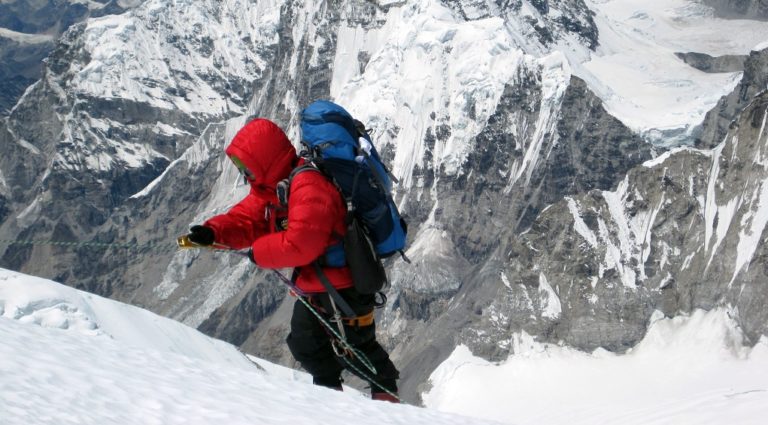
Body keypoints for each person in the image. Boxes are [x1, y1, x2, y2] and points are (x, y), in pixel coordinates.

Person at [183, 118, 400, 402]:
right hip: (320, 286)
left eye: (246, 167)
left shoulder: (308, 186)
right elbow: (246, 219)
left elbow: (301, 245)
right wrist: (212, 231)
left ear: (265, 160)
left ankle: (391, 408)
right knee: (307, 344)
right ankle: (330, 404)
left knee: (356, 348)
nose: (244, 173)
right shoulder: (275, 189)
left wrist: (257, 252)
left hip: (345, 284)